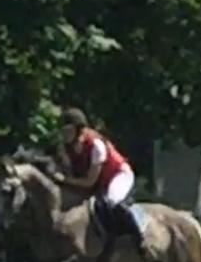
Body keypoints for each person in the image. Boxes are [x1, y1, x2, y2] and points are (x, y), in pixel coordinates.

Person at [58, 107, 145, 252]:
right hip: (98, 183)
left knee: (111, 201)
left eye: (68, 130)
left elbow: (89, 181)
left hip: (118, 175)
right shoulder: (66, 149)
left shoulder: (95, 145)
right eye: (63, 131)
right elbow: (71, 174)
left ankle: (138, 234)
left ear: (79, 129)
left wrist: (65, 180)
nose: (65, 135)